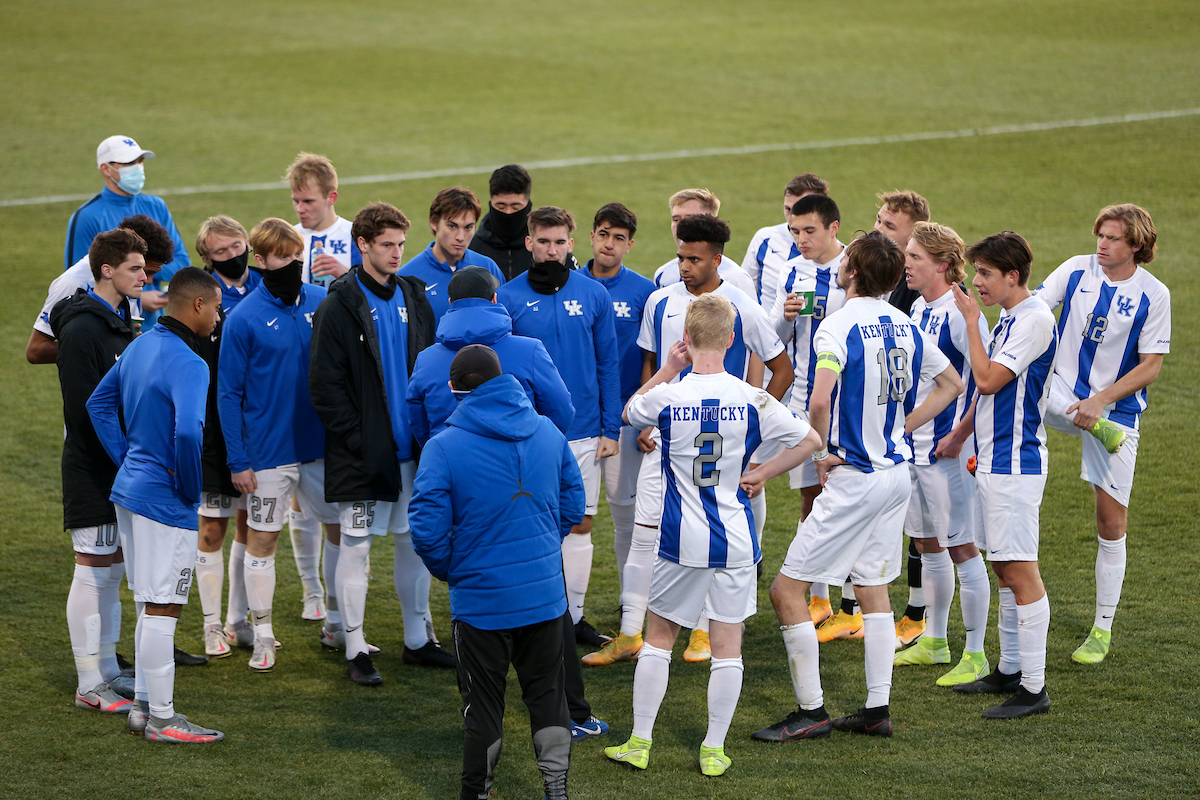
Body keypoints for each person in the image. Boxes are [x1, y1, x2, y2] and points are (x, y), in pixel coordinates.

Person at [752, 230, 962, 741]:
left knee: (786, 590)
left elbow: (819, 399)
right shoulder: (907, 325)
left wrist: (821, 453)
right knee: (872, 588)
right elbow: (952, 384)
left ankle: (811, 712)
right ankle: (876, 709)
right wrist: (900, 429)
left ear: (850, 272)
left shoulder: (836, 327)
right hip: (895, 476)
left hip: (857, 478)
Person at [603, 294, 821, 776]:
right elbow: (811, 441)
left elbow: (629, 412)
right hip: (736, 539)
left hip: (680, 539)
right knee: (727, 647)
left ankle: (639, 742)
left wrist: (667, 368)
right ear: (731, 339)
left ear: (686, 337)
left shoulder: (669, 396)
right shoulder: (753, 398)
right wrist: (762, 472)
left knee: (658, 640)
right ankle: (714, 749)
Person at [585, 214, 792, 667]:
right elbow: (651, 361)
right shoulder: (660, 301)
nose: (684, 266)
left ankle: (701, 631)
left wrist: (748, 434)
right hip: (664, 445)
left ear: (717, 260)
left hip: (715, 450)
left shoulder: (741, 305)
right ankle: (630, 633)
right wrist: (647, 422)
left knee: (711, 539)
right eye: (681, 257)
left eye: (694, 259)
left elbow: (783, 370)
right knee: (645, 536)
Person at [409, 344, 583, 800]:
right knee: (548, 697)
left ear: (453, 388)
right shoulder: (548, 432)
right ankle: (556, 791)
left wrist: (456, 570)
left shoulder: (442, 447)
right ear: (503, 378)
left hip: (481, 605)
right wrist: (540, 550)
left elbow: (426, 529)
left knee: (483, 708)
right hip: (544, 599)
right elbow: (573, 504)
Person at [309, 201, 450, 684]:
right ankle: (354, 647)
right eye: (386, 244)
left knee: (415, 542)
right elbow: (324, 386)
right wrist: (360, 439)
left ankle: (417, 642)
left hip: (415, 452)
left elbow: (431, 368)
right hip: (363, 454)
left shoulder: (414, 295)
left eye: (400, 244)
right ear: (362, 244)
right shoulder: (338, 304)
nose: (396, 253)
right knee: (355, 546)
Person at [87, 266, 223, 743]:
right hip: (164, 500)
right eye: (216, 307)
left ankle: (143, 709)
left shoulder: (140, 344)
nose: (218, 317)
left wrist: (129, 459)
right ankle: (163, 720)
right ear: (197, 305)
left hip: (130, 492)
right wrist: (188, 487)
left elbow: (98, 405)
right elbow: (188, 433)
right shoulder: (192, 363)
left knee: (150, 602)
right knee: (164, 608)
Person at [1036, 204, 1169, 664]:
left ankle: (1102, 629)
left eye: (1113, 238)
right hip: (1059, 393)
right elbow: (1035, 308)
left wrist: (1100, 402)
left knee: (1111, 523)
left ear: (1136, 244)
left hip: (1114, 413)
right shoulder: (1077, 270)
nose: (1102, 244)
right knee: (1012, 386)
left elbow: (1150, 367)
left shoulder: (1154, 295)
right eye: (1100, 235)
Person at [496, 206, 621, 646]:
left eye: (560, 242)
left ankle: (574, 617)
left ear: (571, 243)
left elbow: (608, 364)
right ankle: (531, 616)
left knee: (581, 523)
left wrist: (611, 429)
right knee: (528, 525)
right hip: (528, 434)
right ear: (529, 242)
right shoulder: (506, 297)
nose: (552, 250)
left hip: (585, 433)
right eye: (544, 242)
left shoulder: (594, 295)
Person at [217, 218, 338, 672]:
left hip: (321, 446)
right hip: (268, 452)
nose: (292, 263)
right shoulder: (243, 319)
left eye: (296, 255)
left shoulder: (324, 302)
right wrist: (237, 459)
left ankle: (339, 623)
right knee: (262, 539)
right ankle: (263, 635)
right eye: (282, 257)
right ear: (261, 260)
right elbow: (228, 394)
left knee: (340, 531)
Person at [950, 231, 1057, 719]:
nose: (978, 282)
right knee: (1003, 567)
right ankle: (1011, 669)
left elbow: (989, 380)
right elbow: (987, 391)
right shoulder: (1013, 317)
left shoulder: (1033, 320)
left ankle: (1034, 689)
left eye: (986, 273)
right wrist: (962, 435)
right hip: (995, 459)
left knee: (1019, 571)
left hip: (1016, 464)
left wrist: (972, 323)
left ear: (1013, 276)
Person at [890, 222, 993, 687]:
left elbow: (985, 383)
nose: (906, 264)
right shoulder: (918, 307)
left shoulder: (961, 313)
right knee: (927, 543)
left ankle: (976, 654)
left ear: (943, 265)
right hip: (915, 445)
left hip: (948, 449)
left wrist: (958, 436)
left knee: (962, 547)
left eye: (915, 257)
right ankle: (934, 640)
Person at [51, 228, 146, 714]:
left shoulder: (120, 318)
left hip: (117, 464)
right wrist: (124, 460)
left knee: (111, 571)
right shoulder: (83, 329)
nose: (144, 276)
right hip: (94, 467)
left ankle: (107, 668)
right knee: (91, 572)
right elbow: (85, 410)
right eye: (135, 268)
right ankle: (89, 682)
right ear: (106, 270)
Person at [767, 193, 850, 636]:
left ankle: (851, 602)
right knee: (811, 498)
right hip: (802, 401)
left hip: (845, 402)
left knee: (848, 496)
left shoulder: (855, 266)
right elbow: (773, 338)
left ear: (833, 228)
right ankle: (820, 597)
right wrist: (784, 316)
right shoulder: (791, 270)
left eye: (809, 231)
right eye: (795, 231)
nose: (801, 239)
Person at [580, 204, 656, 608]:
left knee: (627, 515)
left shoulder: (644, 292)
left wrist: (646, 415)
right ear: (591, 236)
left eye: (619, 238)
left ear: (630, 245)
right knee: (573, 516)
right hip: (579, 420)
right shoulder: (570, 285)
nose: (609, 244)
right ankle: (568, 608)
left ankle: (632, 604)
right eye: (604, 234)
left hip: (626, 420)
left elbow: (651, 358)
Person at [192, 216, 261, 657]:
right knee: (212, 527)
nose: (233, 256)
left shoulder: (265, 288)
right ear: (207, 258)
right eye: (221, 252)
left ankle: (237, 620)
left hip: (260, 427)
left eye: (237, 246)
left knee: (250, 526)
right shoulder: (201, 300)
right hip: (215, 430)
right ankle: (210, 625)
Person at [406, 266, 574, 446]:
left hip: (449, 458)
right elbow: (561, 412)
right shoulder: (530, 350)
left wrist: (438, 448)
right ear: (494, 299)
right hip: (517, 458)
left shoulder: (426, 360)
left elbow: (417, 420)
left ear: (450, 302)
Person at [875, 189, 933, 647]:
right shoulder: (893, 277)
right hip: (899, 418)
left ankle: (918, 615)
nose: (878, 229)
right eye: (878, 221)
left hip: (923, 425)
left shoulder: (922, 292)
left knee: (924, 530)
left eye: (888, 226)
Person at [64, 136, 191, 317]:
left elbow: (182, 263)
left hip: (153, 324)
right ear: (106, 169)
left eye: (140, 161)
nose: (137, 168)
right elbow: (79, 281)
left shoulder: (157, 206)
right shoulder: (86, 217)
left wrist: (142, 272)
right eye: (129, 163)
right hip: (107, 322)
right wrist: (137, 299)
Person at [30, 214, 174, 364]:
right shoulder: (72, 283)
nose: (147, 280)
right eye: (140, 269)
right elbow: (36, 351)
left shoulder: (128, 284)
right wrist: (107, 341)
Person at [399, 187, 505, 322]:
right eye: (452, 226)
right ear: (434, 223)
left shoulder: (488, 267)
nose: (460, 237)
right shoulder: (406, 278)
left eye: (468, 227)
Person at [469, 164, 581, 279]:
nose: (508, 212)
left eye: (516, 207)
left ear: (527, 204)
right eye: (501, 207)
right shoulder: (474, 247)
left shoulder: (546, 245)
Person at [741, 173, 828, 309]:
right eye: (788, 209)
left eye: (800, 209)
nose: (792, 217)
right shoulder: (765, 239)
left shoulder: (835, 253)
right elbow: (742, 288)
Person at [650, 189, 755, 297]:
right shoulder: (663, 275)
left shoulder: (735, 278)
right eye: (676, 219)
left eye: (690, 218)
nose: (681, 225)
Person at [286, 152, 360, 286]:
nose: (300, 209)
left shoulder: (356, 238)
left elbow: (375, 292)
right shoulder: (288, 239)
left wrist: (344, 274)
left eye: (308, 201)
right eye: (296, 201)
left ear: (331, 198)